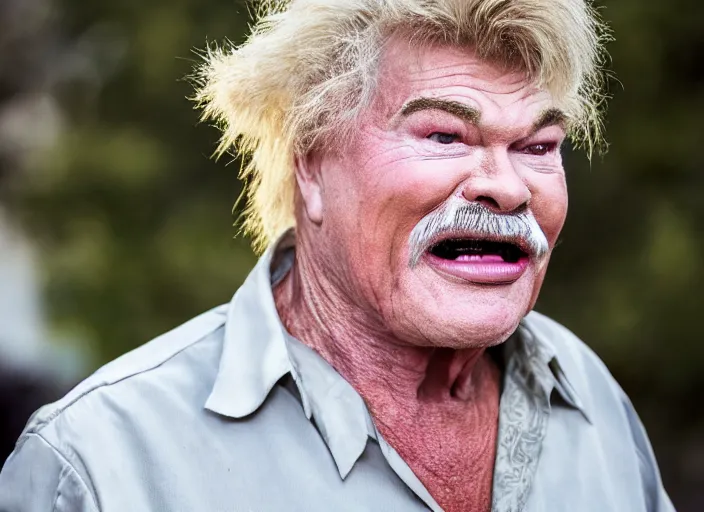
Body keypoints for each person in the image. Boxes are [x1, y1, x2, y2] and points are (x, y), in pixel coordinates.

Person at [0, 0, 675, 510]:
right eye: (444, 136)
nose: (504, 186)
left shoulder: (590, 397)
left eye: (537, 148)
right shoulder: (98, 462)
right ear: (313, 169)